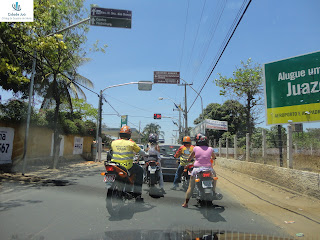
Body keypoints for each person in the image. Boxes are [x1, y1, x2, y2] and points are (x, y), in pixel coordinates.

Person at [110, 125, 148, 202]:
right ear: (129, 134)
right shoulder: (131, 143)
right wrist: (147, 154)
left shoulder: (113, 142)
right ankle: (137, 195)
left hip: (115, 165)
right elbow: (141, 152)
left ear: (120, 134)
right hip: (127, 166)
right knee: (140, 170)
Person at [182, 133, 216, 208]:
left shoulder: (195, 148)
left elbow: (190, 158)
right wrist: (212, 158)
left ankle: (185, 203)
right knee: (214, 177)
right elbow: (214, 157)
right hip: (208, 169)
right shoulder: (210, 149)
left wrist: (188, 160)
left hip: (197, 169)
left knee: (191, 186)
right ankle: (213, 191)